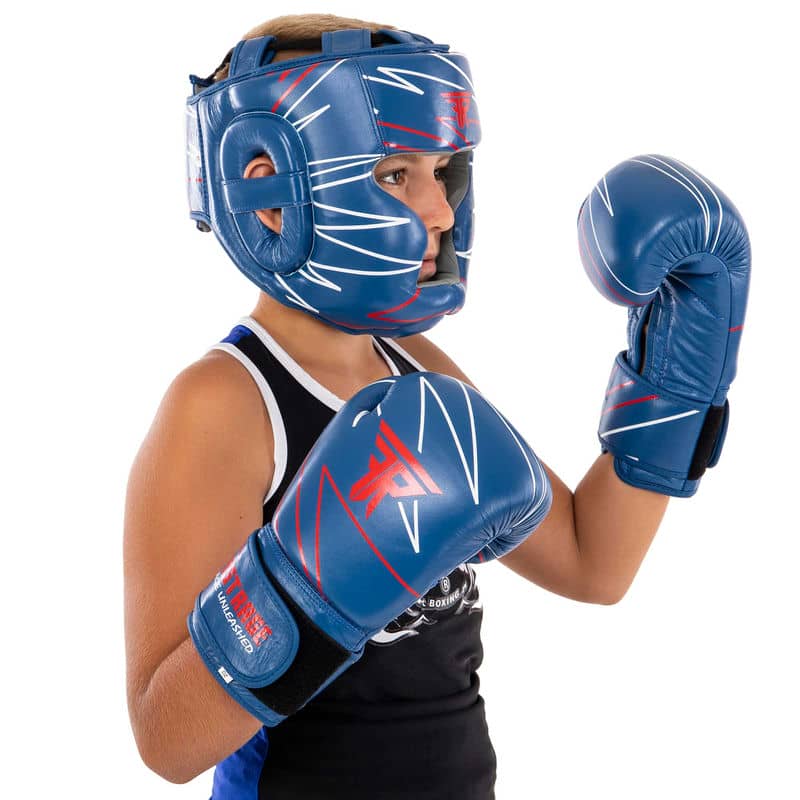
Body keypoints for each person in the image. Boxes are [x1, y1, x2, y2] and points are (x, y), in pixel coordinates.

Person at [123, 12, 750, 800]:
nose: (441, 210)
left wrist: (680, 368)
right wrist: (312, 588)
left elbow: (595, 562)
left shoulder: (416, 364)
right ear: (273, 198)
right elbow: (166, 739)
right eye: (395, 175)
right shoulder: (222, 403)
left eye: (442, 170)